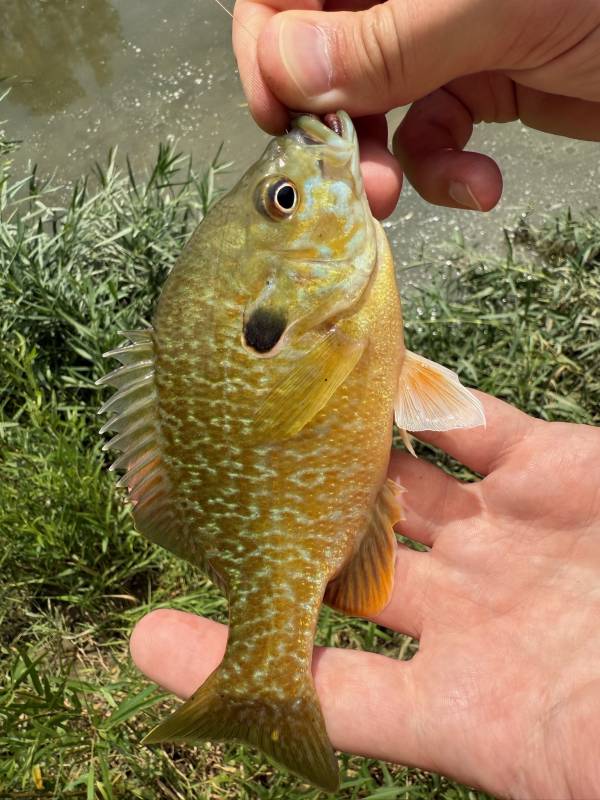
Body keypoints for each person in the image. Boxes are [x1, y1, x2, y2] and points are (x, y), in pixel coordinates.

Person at [130, 2, 600, 797]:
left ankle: (264, 680)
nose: (297, 174)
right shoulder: (335, 320)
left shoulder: (333, 318)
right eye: (284, 201)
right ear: (269, 304)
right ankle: (264, 683)